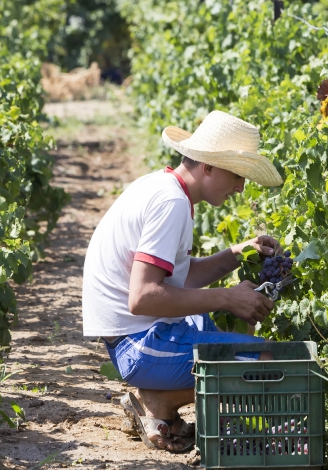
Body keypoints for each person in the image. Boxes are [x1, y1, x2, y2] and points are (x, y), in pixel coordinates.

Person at [82, 111, 284, 453]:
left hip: (136, 334)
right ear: (208, 167)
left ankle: (160, 398)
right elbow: (143, 297)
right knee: (264, 359)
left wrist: (237, 252)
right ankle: (160, 403)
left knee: (214, 332)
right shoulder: (172, 203)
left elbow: (181, 278)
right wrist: (227, 298)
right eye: (237, 175)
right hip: (138, 345)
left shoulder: (163, 187)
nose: (240, 187)